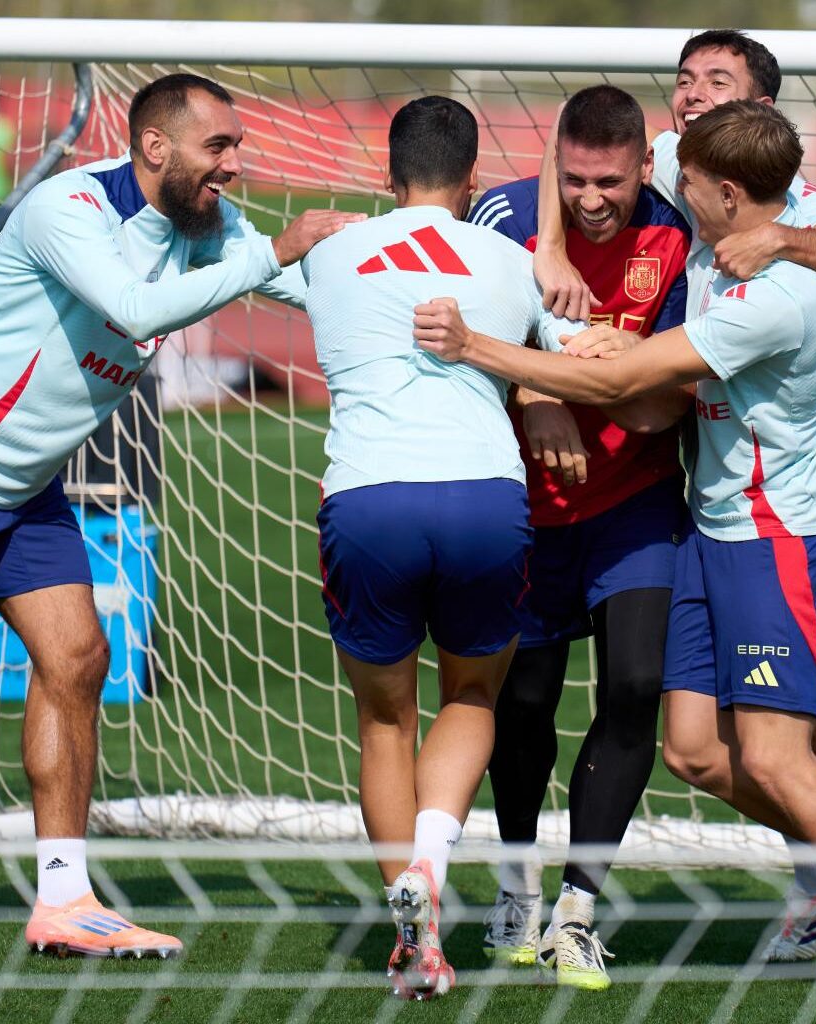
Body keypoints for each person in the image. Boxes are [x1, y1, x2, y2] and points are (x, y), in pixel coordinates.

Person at [415, 101, 816, 1007]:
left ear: (725, 191)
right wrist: (559, 271)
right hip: (713, 527)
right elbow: (580, 142)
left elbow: (629, 384)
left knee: (786, 755)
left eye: (683, 183)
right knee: (696, 752)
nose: (662, 191)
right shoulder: (717, 217)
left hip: (775, 536)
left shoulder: (773, 295)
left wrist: (481, 350)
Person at [0, 72, 359, 959]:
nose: (235, 167)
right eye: (220, 148)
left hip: (26, 481)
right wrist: (276, 250)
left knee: (79, 658)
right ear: (156, 147)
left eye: (237, 149)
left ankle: (64, 899)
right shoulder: (70, 209)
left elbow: (305, 286)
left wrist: (413, 285)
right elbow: (133, 308)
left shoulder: (209, 227)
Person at [535, 28, 816, 979]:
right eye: (682, 81)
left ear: (759, 106)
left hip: (800, 495)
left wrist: (786, 238)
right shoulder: (682, 164)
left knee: (808, 738)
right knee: (700, 752)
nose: (689, 95)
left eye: (717, 81)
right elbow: (569, 150)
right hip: (716, 496)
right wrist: (552, 245)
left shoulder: (784, 200)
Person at [298, 95, 582, 1001]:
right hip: (483, 499)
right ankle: (431, 859)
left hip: (368, 498)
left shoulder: (325, 252)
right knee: (472, 693)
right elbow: (582, 355)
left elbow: (232, 276)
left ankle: (409, 924)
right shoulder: (515, 261)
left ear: (387, 178)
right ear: (470, 181)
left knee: (386, 718)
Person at [466, 84, 692, 990]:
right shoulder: (501, 216)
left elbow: (668, 394)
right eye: (574, 180)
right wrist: (538, 390)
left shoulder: (676, 237)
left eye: (611, 181)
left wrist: (586, 384)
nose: (591, 199)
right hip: (520, 504)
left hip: (633, 501)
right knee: (523, 705)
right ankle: (517, 881)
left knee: (636, 688)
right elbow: (453, 338)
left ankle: (577, 910)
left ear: (645, 164)